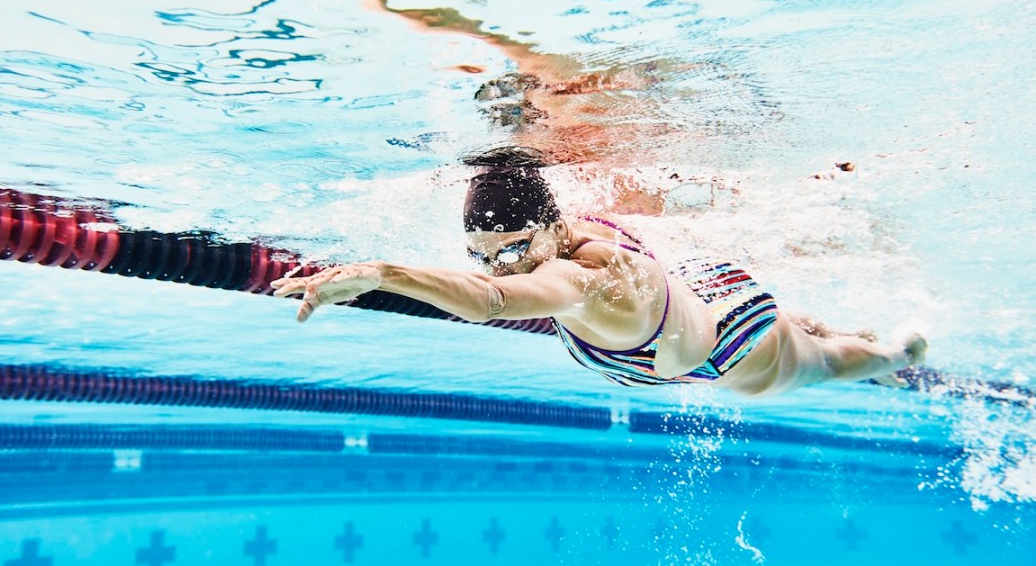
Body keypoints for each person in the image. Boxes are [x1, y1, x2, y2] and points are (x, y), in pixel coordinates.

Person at [271, 161, 927, 396]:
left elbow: (495, 300)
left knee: (817, 367)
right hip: (695, 290)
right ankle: (822, 331)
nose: (507, 267)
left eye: (515, 251)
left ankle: (901, 351)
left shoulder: (578, 278)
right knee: (799, 340)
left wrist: (382, 273)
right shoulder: (569, 222)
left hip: (722, 348)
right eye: (484, 255)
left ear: (551, 231)